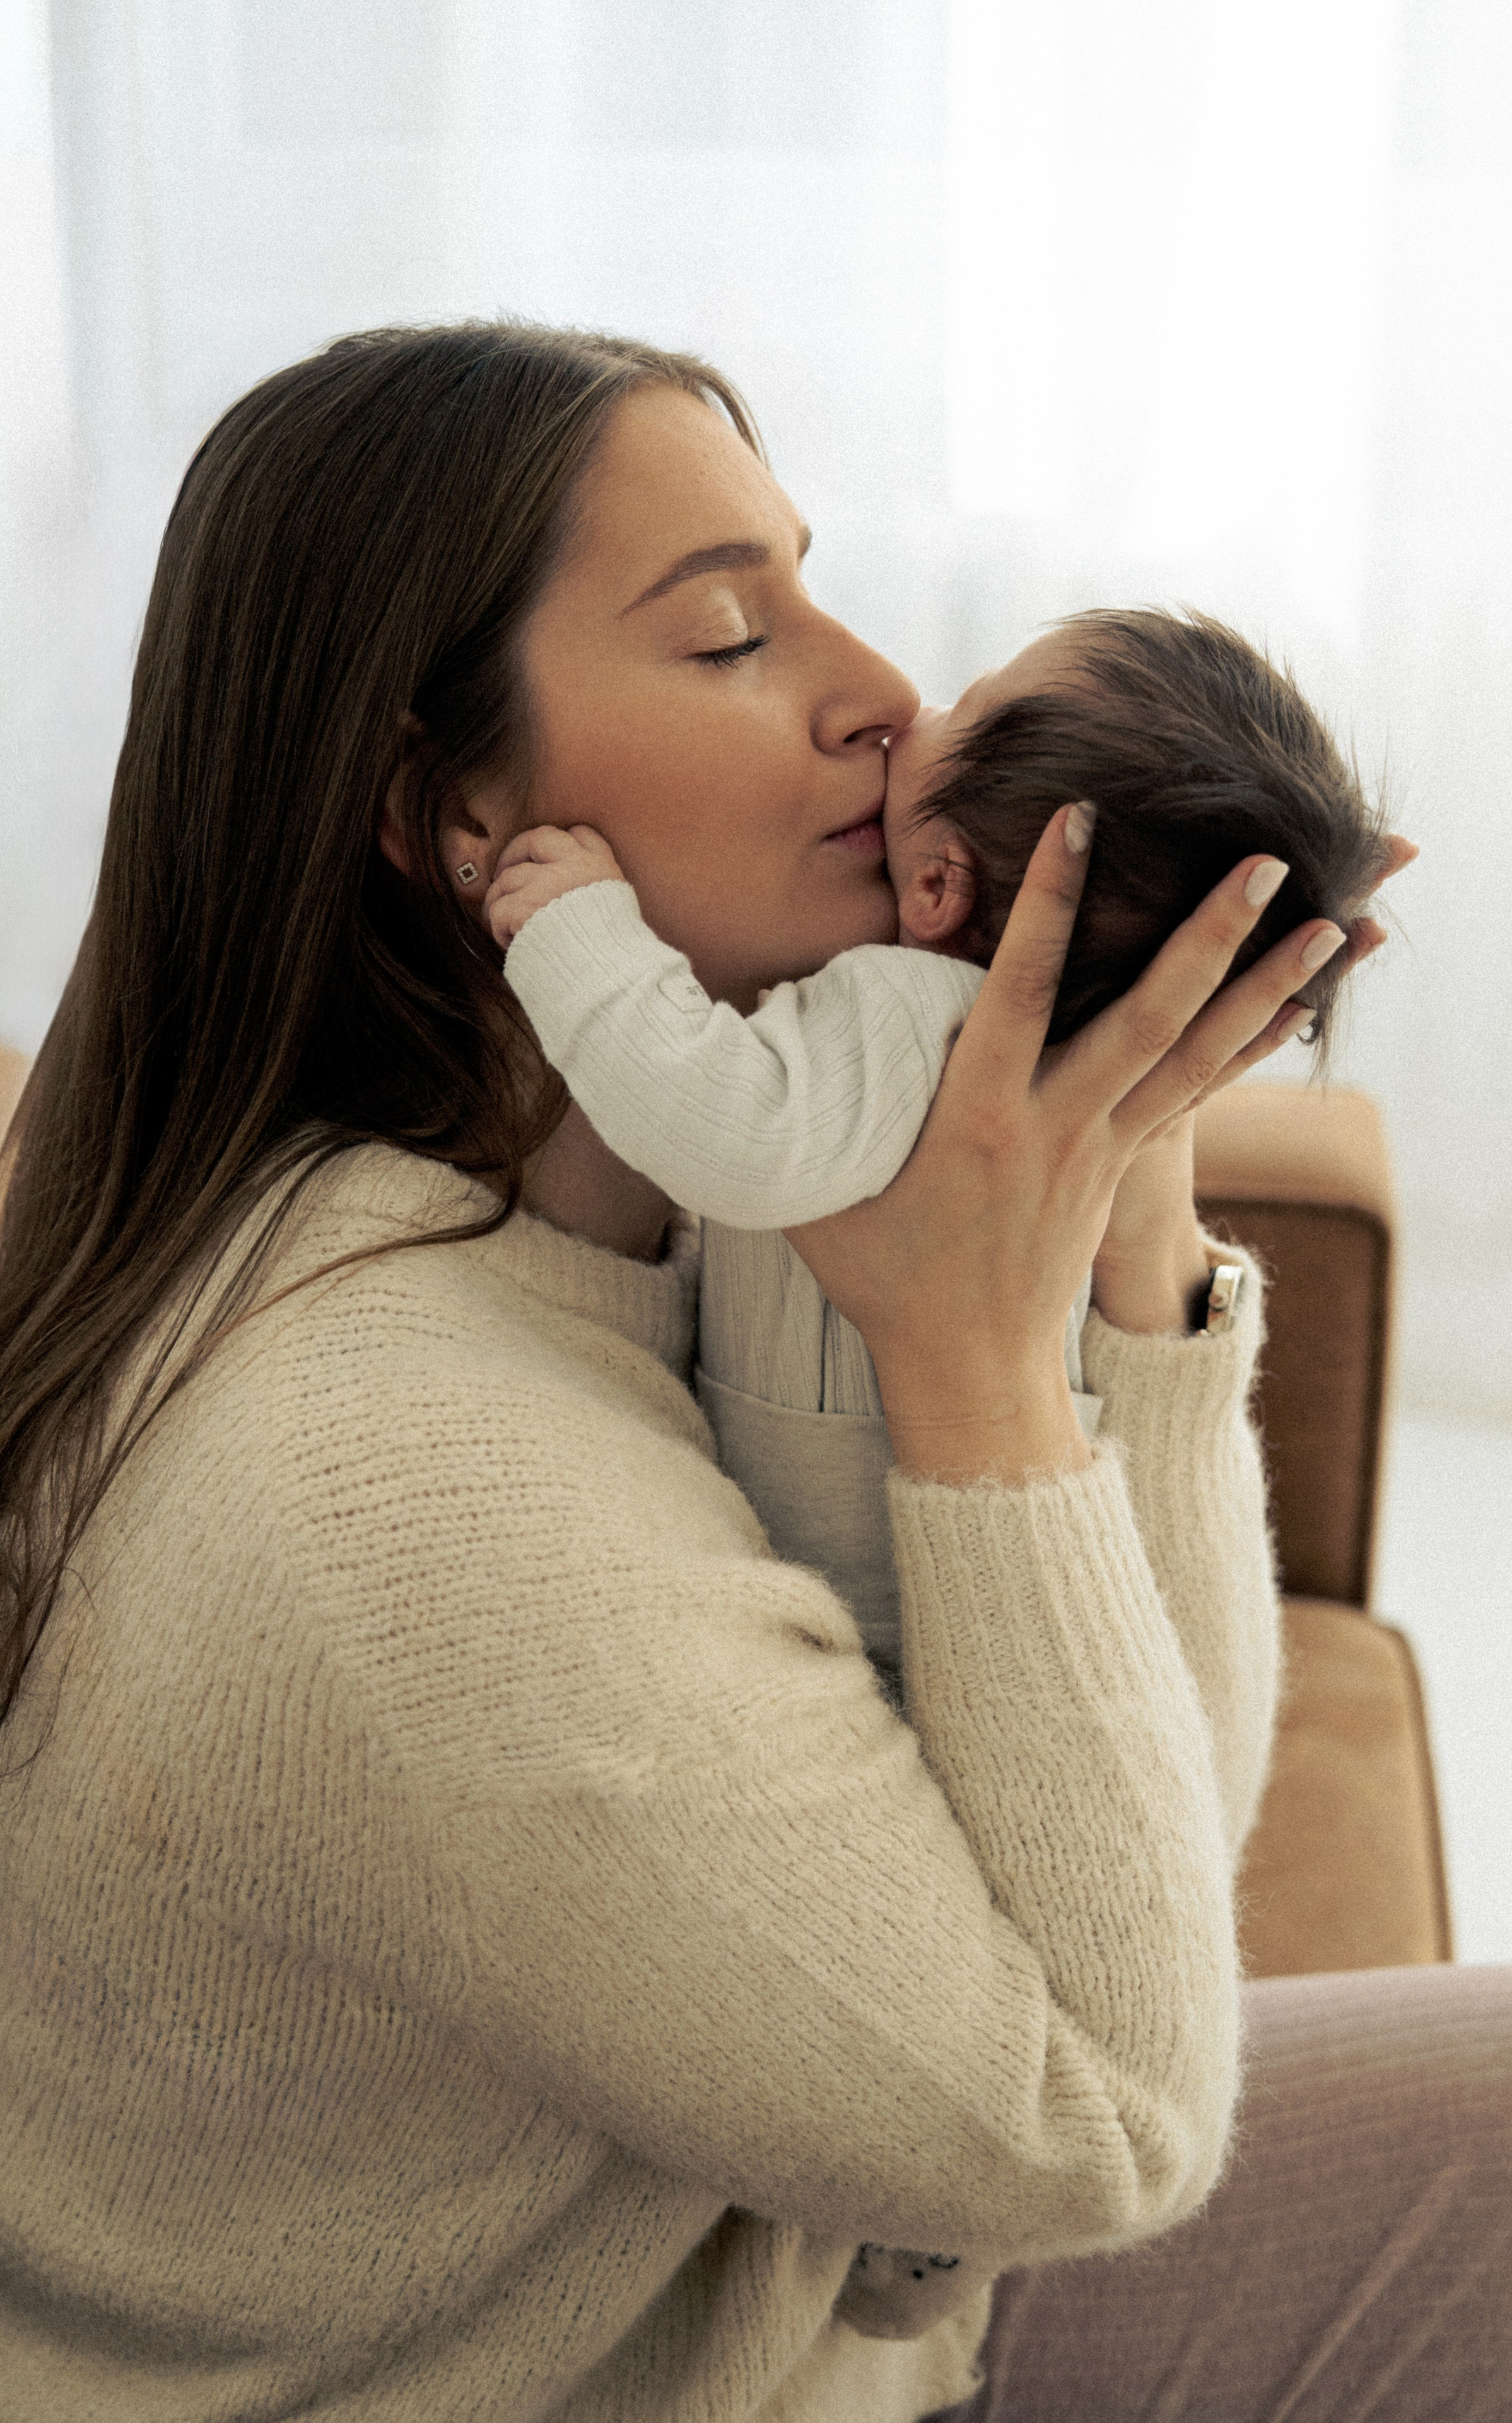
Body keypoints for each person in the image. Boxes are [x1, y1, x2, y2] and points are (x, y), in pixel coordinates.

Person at [0, 321, 1502, 2423]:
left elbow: (1145, 1885)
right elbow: (1104, 2115)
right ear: (450, 813)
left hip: (811, 2300)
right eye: (735, 635)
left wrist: (1129, 1219)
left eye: (815, 588)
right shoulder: (403, 1499)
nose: (888, 697)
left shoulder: (645, 1214)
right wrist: (981, 1383)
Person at [476, 603, 1395, 2337]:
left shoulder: (905, 1020)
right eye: (728, 633)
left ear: (943, 889)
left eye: (963, 706)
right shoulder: (1029, 1086)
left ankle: (917, 2218)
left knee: (989, 1896)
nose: (897, 699)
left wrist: (579, 926)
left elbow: (724, 1118)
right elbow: (1182, 1799)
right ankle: (922, 2240)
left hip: (902, 1598)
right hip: (986, 1592)